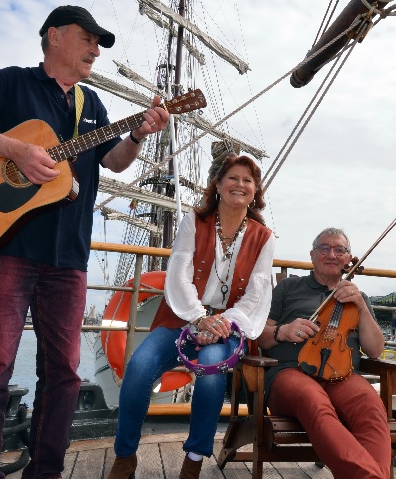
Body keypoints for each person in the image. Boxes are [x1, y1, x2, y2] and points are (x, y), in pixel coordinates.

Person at [0, 5, 170, 479]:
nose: (95, 50)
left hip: (69, 259)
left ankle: (47, 471)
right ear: (54, 36)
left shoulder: (92, 106)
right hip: (6, 250)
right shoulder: (12, 83)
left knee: (63, 374)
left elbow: (114, 163)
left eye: (99, 43)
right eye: (88, 39)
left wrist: (138, 134)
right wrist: (15, 149)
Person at [107, 154, 275, 479]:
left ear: (256, 191)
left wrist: (223, 323)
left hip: (228, 326)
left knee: (211, 373)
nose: (240, 184)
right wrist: (200, 318)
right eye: (233, 178)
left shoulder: (263, 237)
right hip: (182, 319)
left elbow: (257, 293)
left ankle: (194, 460)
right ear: (218, 184)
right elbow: (178, 275)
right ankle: (125, 455)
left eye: (248, 180)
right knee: (139, 368)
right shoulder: (193, 222)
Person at [257, 228, 391, 479]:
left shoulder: (357, 297)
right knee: (314, 401)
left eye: (339, 250)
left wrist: (361, 305)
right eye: (324, 248)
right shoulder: (288, 288)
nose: (332, 254)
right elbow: (259, 335)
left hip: (342, 376)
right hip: (291, 372)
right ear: (312, 255)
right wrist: (284, 331)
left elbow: (374, 350)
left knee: (370, 407)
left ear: (347, 257)